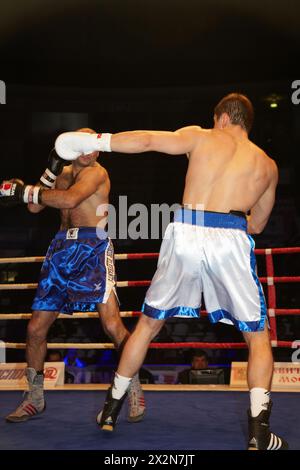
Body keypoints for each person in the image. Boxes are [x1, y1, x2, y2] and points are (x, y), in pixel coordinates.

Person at [29, 93, 287, 450]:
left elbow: (148, 139)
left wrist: (95, 141)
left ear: (223, 118)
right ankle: (260, 433)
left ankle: (111, 408)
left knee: (149, 325)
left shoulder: (201, 135)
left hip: (185, 228)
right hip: (230, 233)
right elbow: (257, 225)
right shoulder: (268, 165)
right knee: (257, 335)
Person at [0, 128, 145, 424]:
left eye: (96, 145)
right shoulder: (62, 171)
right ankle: (34, 398)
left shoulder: (97, 173)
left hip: (93, 247)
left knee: (111, 324)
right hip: (61, 248)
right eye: (85, 145)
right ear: (72, 147)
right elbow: (33, 206)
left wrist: (24, 189)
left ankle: (133, 387)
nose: (93, 150)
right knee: (35, 329)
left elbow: (69, 200)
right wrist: (49, 170)